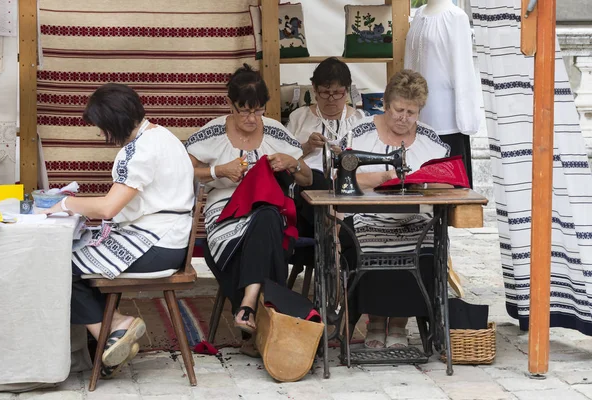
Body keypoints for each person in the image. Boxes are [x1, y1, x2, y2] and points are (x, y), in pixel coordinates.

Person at [42, 83, 195, 376]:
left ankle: (114, 328)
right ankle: (111, 334)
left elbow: (109, 208)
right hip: (171, 241)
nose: (101, 134)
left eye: (101, 127)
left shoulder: (139, 152)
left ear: (115, 122)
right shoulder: (162, 135)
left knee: (58, 263)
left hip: (157, 247)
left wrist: (64, 205)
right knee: (75, 255)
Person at [185, 64, 312, 351]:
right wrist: (220, 171)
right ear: (230, 104)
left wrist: (293, 163)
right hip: (224, 215)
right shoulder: (213, 133)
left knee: (266, 216)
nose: (252, 118)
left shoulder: (277, 133)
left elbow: (307, 178)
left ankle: (247, 305)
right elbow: (184, 171)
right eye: (244, 110)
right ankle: (264, 324)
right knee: (266, 230)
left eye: (258, 110)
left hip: (267, 215)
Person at [339, 70, 450, 349]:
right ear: (386, 105)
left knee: (424, 243)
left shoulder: (431, 141)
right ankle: (375, 321)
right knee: (368, 241)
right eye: (399, 110)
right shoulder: (359, 134)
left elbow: (448, 184)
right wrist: (383, 178)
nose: (404, 118)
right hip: (366, 217)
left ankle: (400, 322)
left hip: (416, 219)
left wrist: (427, 183)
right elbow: (339, 178)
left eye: (411, 113)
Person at [404, 0, 481, 188]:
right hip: (419, 115)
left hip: (446, 118)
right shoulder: (420, 15)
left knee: (448, 183)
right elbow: (410, 65)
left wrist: (467, 117)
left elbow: (463, 69)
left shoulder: (456, 17)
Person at [286, 57, 364, 236]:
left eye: (338, 93)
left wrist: (345, 157)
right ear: (314, 89)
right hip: (306, 189)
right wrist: (306, 147)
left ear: (348, 90)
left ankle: (333, 239)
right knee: (318, 182)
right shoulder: (299, 118)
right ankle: (334, 239)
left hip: (348, 188)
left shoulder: (360, 120)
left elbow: (368, 160)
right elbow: (286, 159)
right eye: (324, 92)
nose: (331, 99)